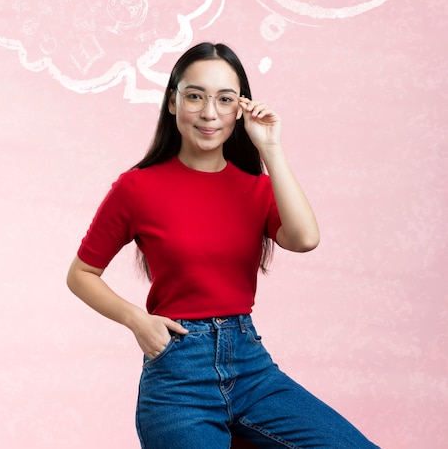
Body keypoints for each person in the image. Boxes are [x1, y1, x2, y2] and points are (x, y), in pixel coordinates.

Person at [67, 41, 380, 448]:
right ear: (173, 103)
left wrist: (270, 147)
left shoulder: (257, 189)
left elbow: (305, 239)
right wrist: (136, 320)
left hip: (252, 369)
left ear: (240, 108)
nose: (209, 112)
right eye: (195, 96)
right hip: (178, 376)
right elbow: (81, 274)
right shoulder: (137, 187)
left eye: (224, 99)